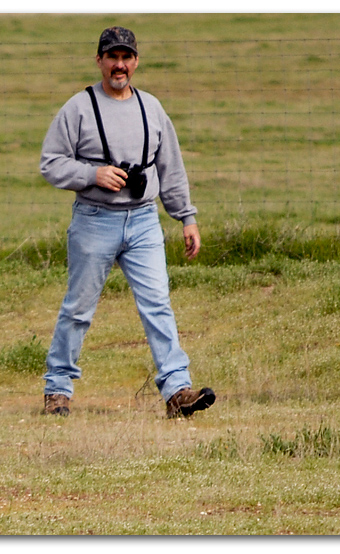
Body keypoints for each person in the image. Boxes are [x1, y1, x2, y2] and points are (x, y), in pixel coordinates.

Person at [39, 26, 215, 419]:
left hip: (144, 221)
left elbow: (170, 166)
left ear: (136, 61)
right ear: (99, 60)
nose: (120, 65)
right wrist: (92, 175)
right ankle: (57, 390)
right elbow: (50, 163)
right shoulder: (78, 108)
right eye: (112, 57)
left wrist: (186, 217)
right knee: (78, 309)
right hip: (94, 220)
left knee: (158, 305)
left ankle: (177, 391)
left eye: (127, 57)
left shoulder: (152, 108)